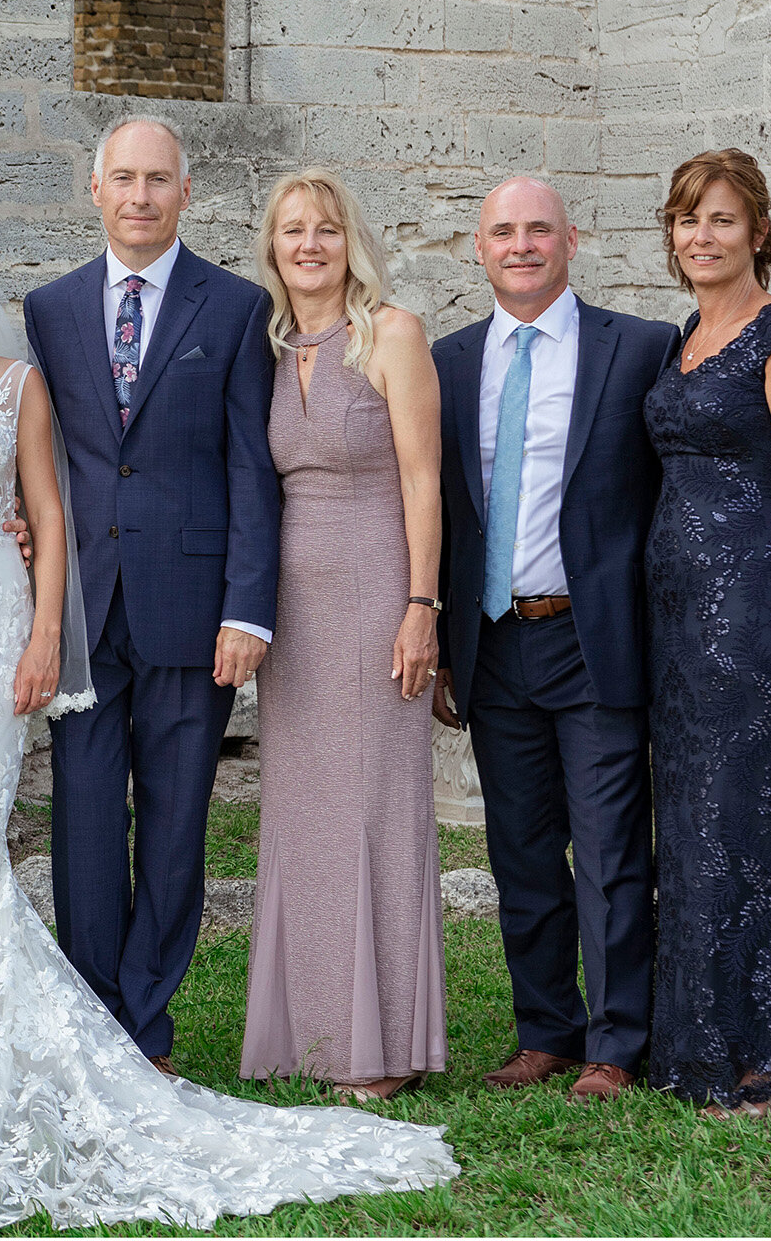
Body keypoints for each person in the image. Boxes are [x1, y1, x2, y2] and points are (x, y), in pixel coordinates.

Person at [0, 218, 456, 1231]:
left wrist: (54, 626)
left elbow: (182, 476)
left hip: (56, 622)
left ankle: (137, 1027)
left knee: (138, 826)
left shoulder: (204, 316)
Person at [17, 116, 283, 1073]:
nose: (140, 196)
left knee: (176, 821)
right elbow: (36, 458)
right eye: (123, 179)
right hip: (84, 606)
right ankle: (97, 1022)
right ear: (95, 190)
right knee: (85, 816)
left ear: (184, 193)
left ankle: (148, 1021)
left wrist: (248, 608)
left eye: (157, 180)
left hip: (194, 606)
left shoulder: (238, 308)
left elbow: (255, 466)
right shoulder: (46, 311)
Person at [428, 177, 677, 1104]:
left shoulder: (640, 347)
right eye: (503, 231)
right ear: (478, 248)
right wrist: (444, 636)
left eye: (539, 229)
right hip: (493, 640)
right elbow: (439, 505)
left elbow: (684, 468)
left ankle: (618, 1043)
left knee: (611, 848)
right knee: (520, 850)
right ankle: (548, 1030)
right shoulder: (448, 361)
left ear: (573, 239)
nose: (521, 245)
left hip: (594, 635)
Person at [642, 149, 771, 1116]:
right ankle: (697, 1050)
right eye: (688, 220)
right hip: (672, 618)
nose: (702, 237)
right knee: (689, 823)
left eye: (722, 220)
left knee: (747, 821)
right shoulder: (685, 336)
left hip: (745, 611)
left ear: (758, 231)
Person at [239, 171, 446, 1098]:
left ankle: (382, 1046)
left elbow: (423, 482)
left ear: (349, 241)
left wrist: (421, 605)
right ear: (273, 248)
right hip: (293, 615)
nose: (310, 245)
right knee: (304, 818)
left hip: (376, 594)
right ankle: (310, 1036)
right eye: (293, 232)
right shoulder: (270, 347)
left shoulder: (391, 333)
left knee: (373, 813)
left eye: (326, 230)